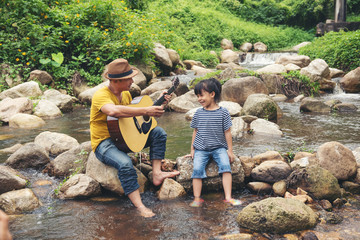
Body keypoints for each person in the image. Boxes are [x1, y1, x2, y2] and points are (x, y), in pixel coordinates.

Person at [90, 58, 180, 217]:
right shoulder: (100, 95)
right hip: (104, 144)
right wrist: (146, 110)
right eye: (129, 78)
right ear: (116, 81)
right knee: (125, 164)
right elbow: (114, 112)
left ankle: (157, 173)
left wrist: (159, 104)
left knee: (158, 133)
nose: (133, 81)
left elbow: (133, 119)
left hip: (123, 139)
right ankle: (140, 207)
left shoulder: (125, 94)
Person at [189, 78, 242, 207]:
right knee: (197, 169)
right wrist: (192, 149)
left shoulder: (223, 112)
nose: (199, 99)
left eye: (201, 95)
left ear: (212, 94)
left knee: (225, 167)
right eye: (197, 96)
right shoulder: (198, 113)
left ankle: (228, 197)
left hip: (219, 148)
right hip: (201, 149)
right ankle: (197, 198)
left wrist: (230, 150)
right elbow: (195, 131)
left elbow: (227, 132)